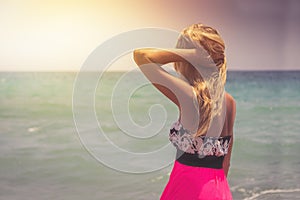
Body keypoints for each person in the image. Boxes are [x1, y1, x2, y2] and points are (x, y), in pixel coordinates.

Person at [133, 23, 236, 200]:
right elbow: (226, 163)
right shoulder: (229, 102)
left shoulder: (190, 96)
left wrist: (193, 55)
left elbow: (141, 56)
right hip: (218, 190)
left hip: (188, 188)